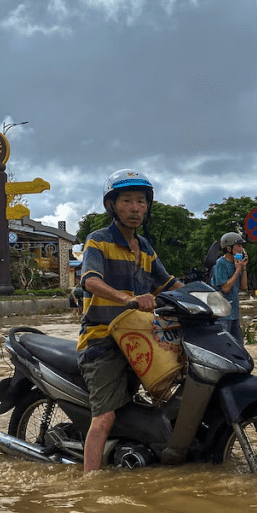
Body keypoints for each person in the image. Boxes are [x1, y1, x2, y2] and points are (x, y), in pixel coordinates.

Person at [77, 169, 184, 473]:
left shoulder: (146, 248)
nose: (136, 208)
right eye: (127, 201)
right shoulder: (98, 241)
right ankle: (90, 484)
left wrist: (203, 297)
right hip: (102, 342)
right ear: (112, 205)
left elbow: (168, 283)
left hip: (140, 337)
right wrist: (126, 298)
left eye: (141, 201)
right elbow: (90, 280)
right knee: (106, 416)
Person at [212, 231, 247, 342]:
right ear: (229, 248)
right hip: (223, 315)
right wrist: (237, 271)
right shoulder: (221, 263)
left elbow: (244, 287)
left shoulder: (236, 263)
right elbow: (225, 288)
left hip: (234, 314)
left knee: (239, 346)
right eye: (238, 246)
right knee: (226, 345)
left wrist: (243, 268)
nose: (241, 249)